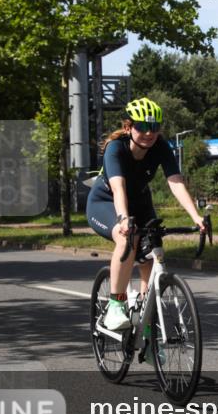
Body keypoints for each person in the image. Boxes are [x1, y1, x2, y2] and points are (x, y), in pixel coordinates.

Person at [87, 97, 206, 333]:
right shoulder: (116, 148)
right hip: (106, 202)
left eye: (155, 127)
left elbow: (176, 183)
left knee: (153, 251)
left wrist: (196, 217)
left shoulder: (161, 146)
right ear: (129, 127)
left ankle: (146, 325)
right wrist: (122, 219)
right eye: (142, 127)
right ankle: (115, 305)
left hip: (141, 203)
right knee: (127, 238)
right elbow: (118, 188)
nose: (149, 133)